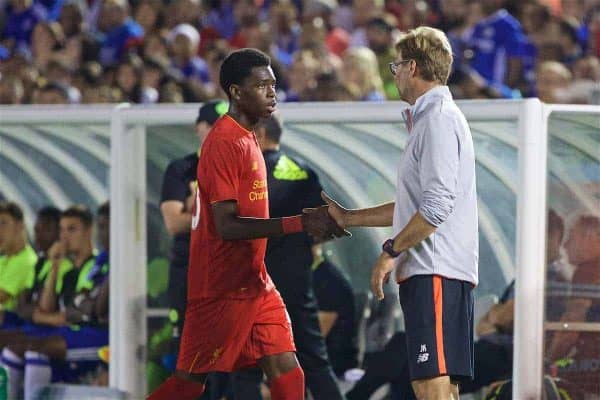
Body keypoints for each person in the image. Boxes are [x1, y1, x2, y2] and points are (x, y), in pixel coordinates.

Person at [147, 48, 348, 400]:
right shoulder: (224, 143)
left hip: (254, 282)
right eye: (261, 86)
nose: (272, 93)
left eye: (273, 85)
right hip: (220, 287)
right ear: (237, 92)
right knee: (188, 385)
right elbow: (227, 226)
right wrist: (297, 224)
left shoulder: (248, 138)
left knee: (288, 370)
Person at [321, 27, 478, 400]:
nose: (393, 74)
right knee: (438, 385)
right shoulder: (432, 118)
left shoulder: (438, 119)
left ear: (411, 67)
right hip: (437, 271)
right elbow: (417, 205)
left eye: (394, 66)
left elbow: (437, 205)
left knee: (431, 384)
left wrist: (389, 252)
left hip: (435, 270)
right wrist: (349, 218)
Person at [229, 114, 345, 399]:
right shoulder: (303, 171)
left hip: (256, 282)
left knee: (245, 368)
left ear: (259, 134)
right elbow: (326, 223)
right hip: (296, 282)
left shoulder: (247, 172)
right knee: (315, 362)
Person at [160, 99, 228, 348]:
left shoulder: (246, 167)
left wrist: (197, 204)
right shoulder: (183, 169)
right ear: (199, 128)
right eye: (213, 126)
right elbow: (174, 222)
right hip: (190, 271)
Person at [311, 244, 358, 379]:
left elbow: (315, 336)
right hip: (315, 360)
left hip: (331, 366)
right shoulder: (308, 275)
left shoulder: (330, 281)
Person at [0, 202, 38, 314]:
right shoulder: (3, 260)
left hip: (9, 326)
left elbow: (2, 296)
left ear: (20, 226)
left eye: (3, 224)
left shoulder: (27, 261)